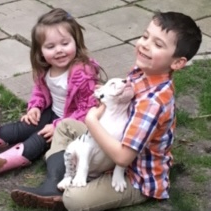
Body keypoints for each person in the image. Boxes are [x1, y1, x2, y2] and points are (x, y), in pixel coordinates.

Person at [11, 11, 202, 211]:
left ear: (177, 62)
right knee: (66, 126)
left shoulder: (153, 103)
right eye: (145, 36)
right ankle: (54, 183)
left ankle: (65, 186)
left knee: (74, 200)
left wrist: (92, 120)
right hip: (116, 140)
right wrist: (103, 97)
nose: (145, 44)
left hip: (134, 175)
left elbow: (123, 158)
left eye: (158, 44)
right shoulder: (141, 72)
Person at [0, 8, 105, 179]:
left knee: (39, 140)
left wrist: (58, 126)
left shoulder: (82, 73)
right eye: (51, 46)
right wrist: (35, 107)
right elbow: (40, 91)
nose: (59, 50)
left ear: (76, 42)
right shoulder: (46, 68)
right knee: (22, 127)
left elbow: (88, 108)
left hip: (70, 123)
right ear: (40, 50)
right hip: (52, 113)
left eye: (65, 44)